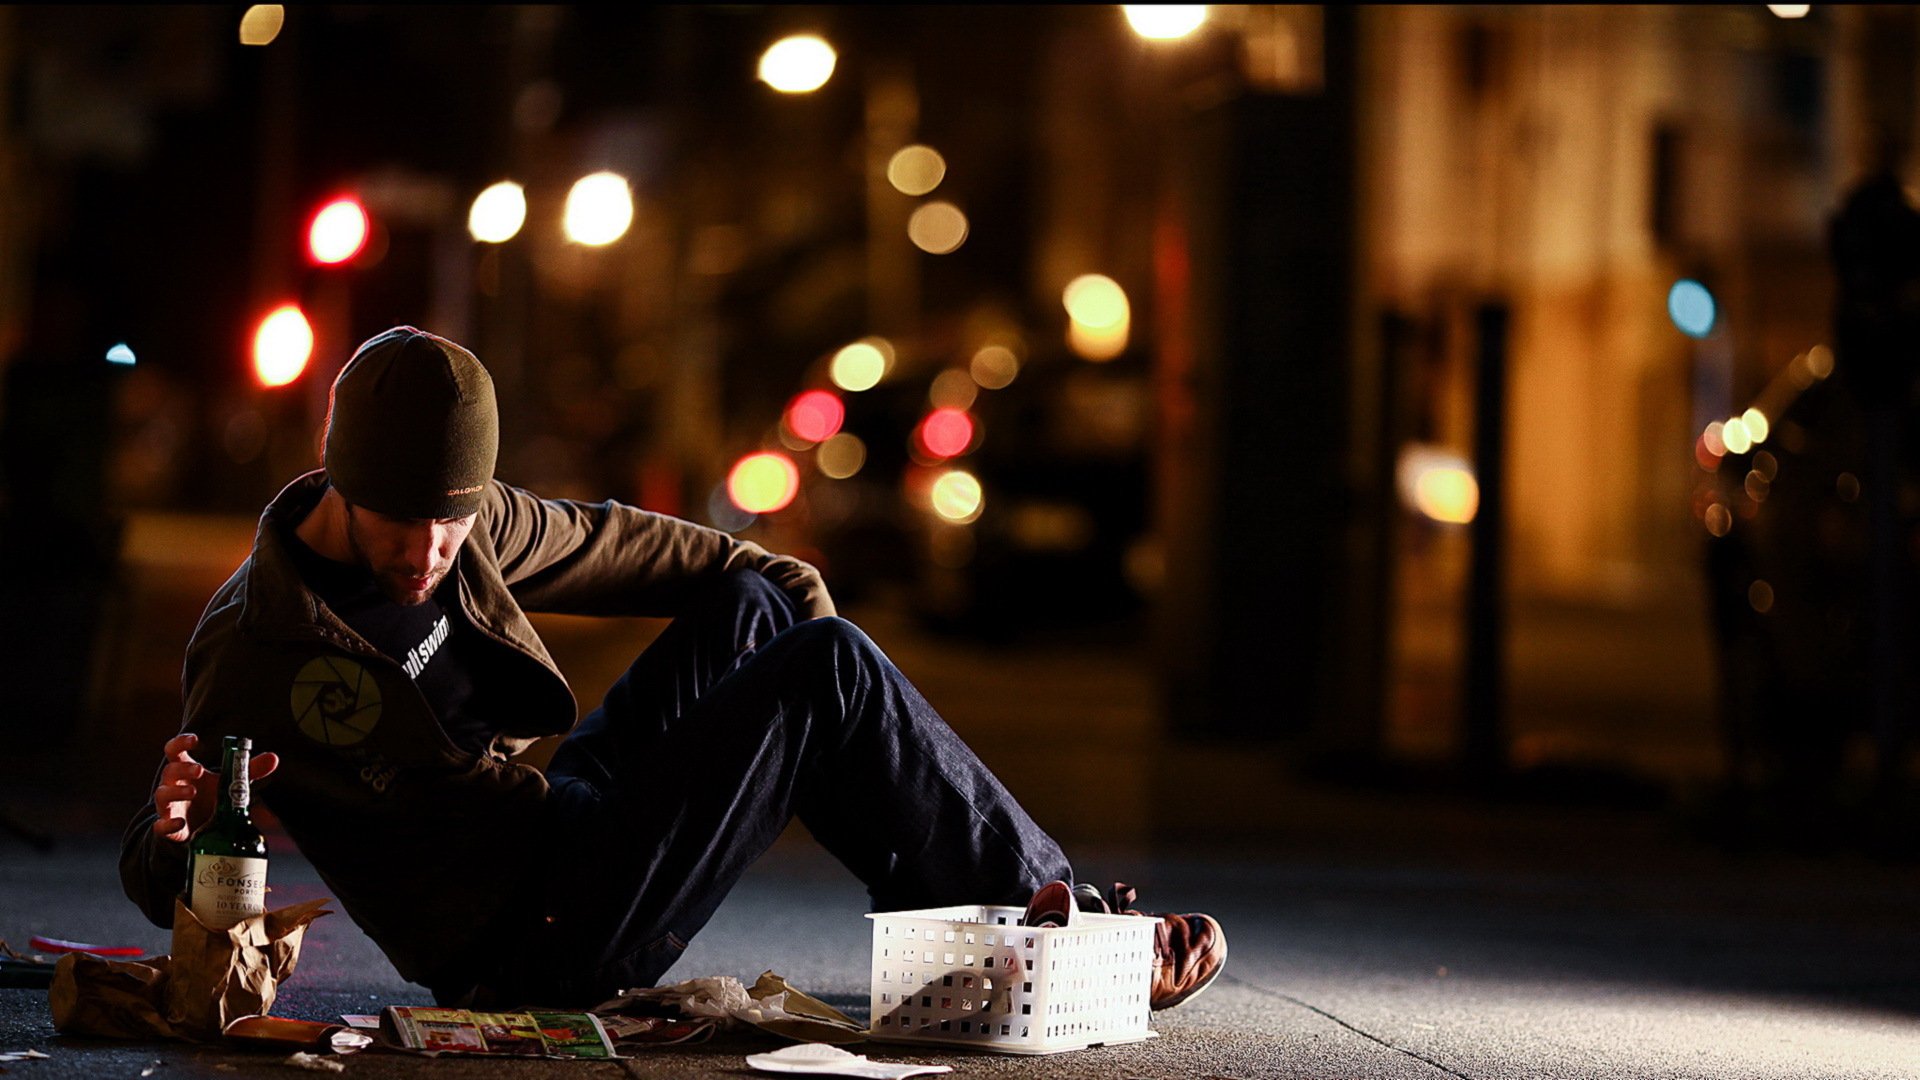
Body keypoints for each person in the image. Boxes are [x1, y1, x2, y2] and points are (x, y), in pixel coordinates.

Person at [120, 327, 1225, 1010]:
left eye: (451, 529)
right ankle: (1075, 933)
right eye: (397, 526)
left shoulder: (481, 522)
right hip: (523, 940)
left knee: (759, 609)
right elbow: (165, 862)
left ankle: (990, 920)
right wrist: (170, 835)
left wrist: (794, 617)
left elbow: (646, 547)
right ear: (337, 486)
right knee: (827, 668)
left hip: (568, 828)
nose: (426, 556)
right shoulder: (254, 639)